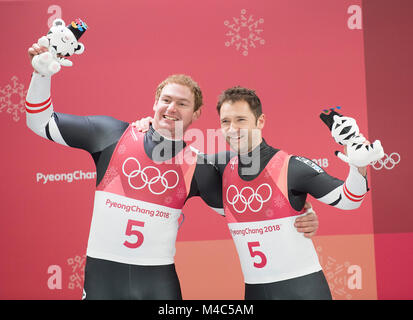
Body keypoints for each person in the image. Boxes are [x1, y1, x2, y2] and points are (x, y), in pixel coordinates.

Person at [25, 44, 319, 300]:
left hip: (158, 283)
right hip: (103, 278)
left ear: (196, 114)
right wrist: (41, 74)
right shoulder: (111, 134)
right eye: (166, 100)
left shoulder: (199, 166)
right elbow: (40, 122)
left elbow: (250, 210)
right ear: (155, 102)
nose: (172, 108)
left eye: (182, 104)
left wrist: (301, 212)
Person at [133, 86, 380, 300]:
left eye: (241, 120)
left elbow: (348, 200)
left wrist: (358, 164)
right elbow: (166, 160)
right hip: (255, 292)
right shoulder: (218, 167)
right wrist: (147, 127)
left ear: (260, 121)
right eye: (225, 121)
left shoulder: (291, 166)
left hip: (304, 289)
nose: (232, 129)